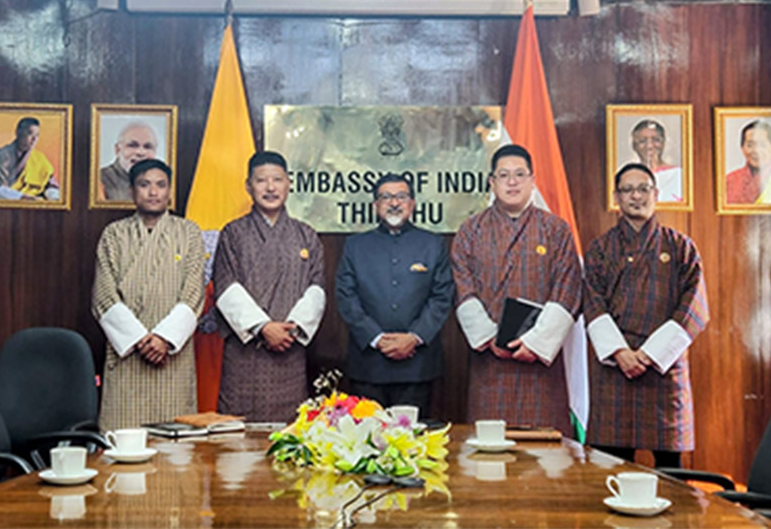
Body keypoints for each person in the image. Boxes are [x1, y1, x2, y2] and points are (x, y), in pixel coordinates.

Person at [583, 163, 710, 469]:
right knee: (610, 468)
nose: (636, 196)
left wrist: (650, 355)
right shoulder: (600, 249)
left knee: (670, 471)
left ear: (656, 194)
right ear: (617, 197)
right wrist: (621, 353)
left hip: (663, 371)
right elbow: (592, 303)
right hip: (615, 368)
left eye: (643, 189)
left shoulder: (680, 247)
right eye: (628, 190)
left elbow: (695, 307)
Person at [451, 144, 583, 435]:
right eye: (504, 175)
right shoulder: (470, 230)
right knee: (487, 453)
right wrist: (489, 338)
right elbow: (463, 287)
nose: (512, 182)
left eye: (520, 174)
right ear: (492, 182)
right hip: (490, 362)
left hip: (540, 365)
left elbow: (568, 288)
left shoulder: (556, 230)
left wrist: (536, 343)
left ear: (533, 181)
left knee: (546, 457)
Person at [91, 159, 207, 430]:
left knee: (173, 452)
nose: (153, 192)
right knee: (122, 445)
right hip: (128, 356)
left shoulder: (188, 232)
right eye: (145, 185)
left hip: (172, 358)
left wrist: (164, 339)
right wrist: (141, 340)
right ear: (132, 191)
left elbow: (193, 292)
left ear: (169, 191)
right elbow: (103, 296)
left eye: (160, 185)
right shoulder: (114, 235)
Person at [211, 151, 326, 422]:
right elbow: (225, 287)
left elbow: (317, 287)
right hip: (246, 352)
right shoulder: (233, 233)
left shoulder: (306, 234)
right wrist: (263, 327)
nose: (270, 187)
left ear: (289, 184)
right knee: (238, 441)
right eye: (262, 180)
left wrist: (291, 328)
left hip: (290, 346)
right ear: (248, 186)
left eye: (277, 180)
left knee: (289, 433)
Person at [336, 173, 455, 416]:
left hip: (417, 364)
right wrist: (377, 338)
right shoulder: (355, 245)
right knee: (365, 444)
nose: (394, 203)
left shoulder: (433, 244)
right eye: (386, 197)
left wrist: (414, 336)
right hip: (368, 364)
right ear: (375, 205)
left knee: (413, 444)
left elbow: (442, 297)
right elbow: (346, 297)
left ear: (412, 204)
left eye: (401, 197)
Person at [0, 116, 61, 201]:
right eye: (30, 133)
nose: (34, 139)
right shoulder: (2, 155)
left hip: (36, 202)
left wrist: (53, 196)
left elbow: (50, 185)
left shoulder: (39, 158)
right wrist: (25, 198)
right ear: (18, 133)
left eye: (37, 135)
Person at [724, 119, 771, 205]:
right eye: (750, 145)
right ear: (742, 148)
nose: (756, 150)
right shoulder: (729, 181)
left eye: (762, 145)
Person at [100, 121, 160, 202]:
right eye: (132, 145)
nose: (140, 152)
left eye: (147, 147)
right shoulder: (99, 179)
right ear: (117, 150)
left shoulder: (163, 183)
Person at [629, 120, 683, 203]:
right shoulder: (628, 176)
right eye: (642, 141)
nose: (649, 146)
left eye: (656, 140)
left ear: (663, 143)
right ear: (634, 146)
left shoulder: (679, 175)